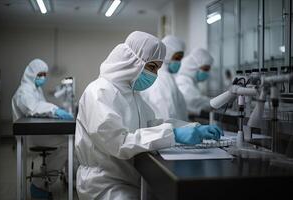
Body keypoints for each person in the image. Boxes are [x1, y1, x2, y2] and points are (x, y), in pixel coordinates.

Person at [75, 31, 222, 200]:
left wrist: (192, 128)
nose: (155, 75)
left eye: (158, 69)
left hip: (130, 177)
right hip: (104, 182)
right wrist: (173, 135)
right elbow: (118, 142)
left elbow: (152, 123)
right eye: (152, 67)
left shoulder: (132, 94)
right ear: (133, 61)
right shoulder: (99, 92)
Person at [12, 59, 74, 199]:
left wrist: (54, 111)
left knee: (67, 141)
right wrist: (55, 110)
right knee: (66, 145)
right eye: (40, 74)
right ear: (31, 74)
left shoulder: (36, 89)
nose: (43, 77)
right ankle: (39, 183)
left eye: (44, 74)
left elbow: (41, 106)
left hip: (36, 132)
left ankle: (48, 178)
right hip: (29, 136)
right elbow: (34, 107)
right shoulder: (24, 91)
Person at [140, 35, 188, 121]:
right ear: (167, 55)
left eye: (180, 59)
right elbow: (166, 114)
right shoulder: (162, 79)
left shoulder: (167, 77)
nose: (179, 62)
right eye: (177, 58)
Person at [175, 48, 214, 115]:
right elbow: (196, 102)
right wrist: (221, 102)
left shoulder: (191, 82)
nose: (207, 73)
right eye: (205, 69)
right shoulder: (183, 81)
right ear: (193, 67)